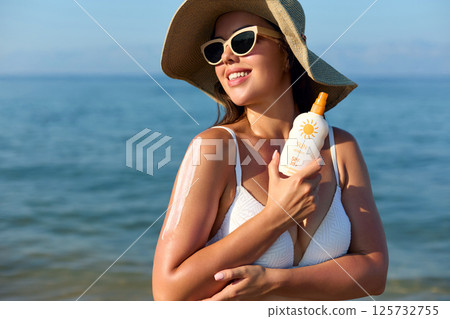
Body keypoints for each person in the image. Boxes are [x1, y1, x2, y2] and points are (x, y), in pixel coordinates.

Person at [152, 0, 388, 301]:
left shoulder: (342, 148)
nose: (225, 57)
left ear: (286, 52)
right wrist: (277, 216)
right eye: (215, 49)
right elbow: (168, 290)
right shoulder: (214, 148)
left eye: (242, 41)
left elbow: (375, 272)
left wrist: (275, 282)